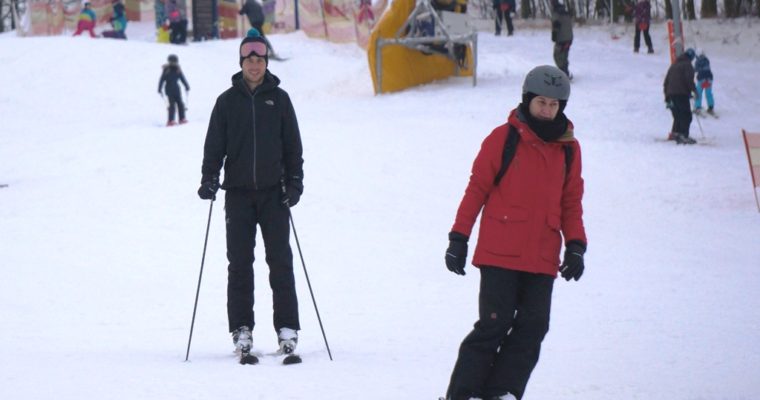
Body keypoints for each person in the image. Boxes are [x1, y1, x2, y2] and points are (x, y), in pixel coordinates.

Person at [442, 65, 587, 400]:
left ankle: (502, 391)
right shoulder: (502, 138)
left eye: (554, 104)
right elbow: (476, 189)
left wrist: (576, 245)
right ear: (527, 100)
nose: (547, 110)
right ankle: (463, 394)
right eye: (541, 103)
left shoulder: (569, 148)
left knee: (534, 326)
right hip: (500, 251)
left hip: (542, 254)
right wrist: (458, 237)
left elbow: (571, 201)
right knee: (494, 323)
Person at [197, 28, 304, 362]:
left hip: (274, 195)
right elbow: (214, 146)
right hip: (239, 196)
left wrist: (295, 182)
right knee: (239, 265)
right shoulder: (226, 102)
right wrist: (209, 178)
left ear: (266, 62)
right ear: (241, 62)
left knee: (281, 263)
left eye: (259, 59)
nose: (254, 65)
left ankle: (287, 329)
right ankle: (242, 329)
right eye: (249, 59)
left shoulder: (280, 99)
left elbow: (293, 146)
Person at [664, 48, 697, 144]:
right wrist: (694, 91)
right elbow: (689, 80)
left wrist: (666, 96)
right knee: (686, 115)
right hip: (681, 94)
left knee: (677, 115)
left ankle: (675, 133)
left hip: (670, 94)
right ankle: (683, 135)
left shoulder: (674, 65)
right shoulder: (687, 65)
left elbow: (666, 81)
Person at [158, 54, 190, 126]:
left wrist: (186, 86)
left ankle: (182, 118)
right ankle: (171, 120)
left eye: (175, 62)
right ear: (169, 62)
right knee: (172, 105)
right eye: (172, 62)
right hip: (169, 90)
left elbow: (182, 78)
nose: (173, 63)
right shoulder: (166, 70)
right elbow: (162, 79)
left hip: (177, 89)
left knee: (180, 104)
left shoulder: (178, 70)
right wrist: (159, 88)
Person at [551, 1, 573, 79]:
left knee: (557, 56)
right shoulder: (566, 12)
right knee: (564, 55)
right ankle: (565, 72)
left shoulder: (556, 13)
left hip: (561, 39)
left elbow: (556, 24)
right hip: (569, 38)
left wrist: (554, 35)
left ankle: (563, 73)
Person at [693, 50, 715, 114]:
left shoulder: (697, 61)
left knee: (698, 93)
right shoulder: (707, 60)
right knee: (709, 93)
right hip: (709, 78)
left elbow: (696, 69)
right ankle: (711, 107)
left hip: (701, 79)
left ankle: (697, 107)